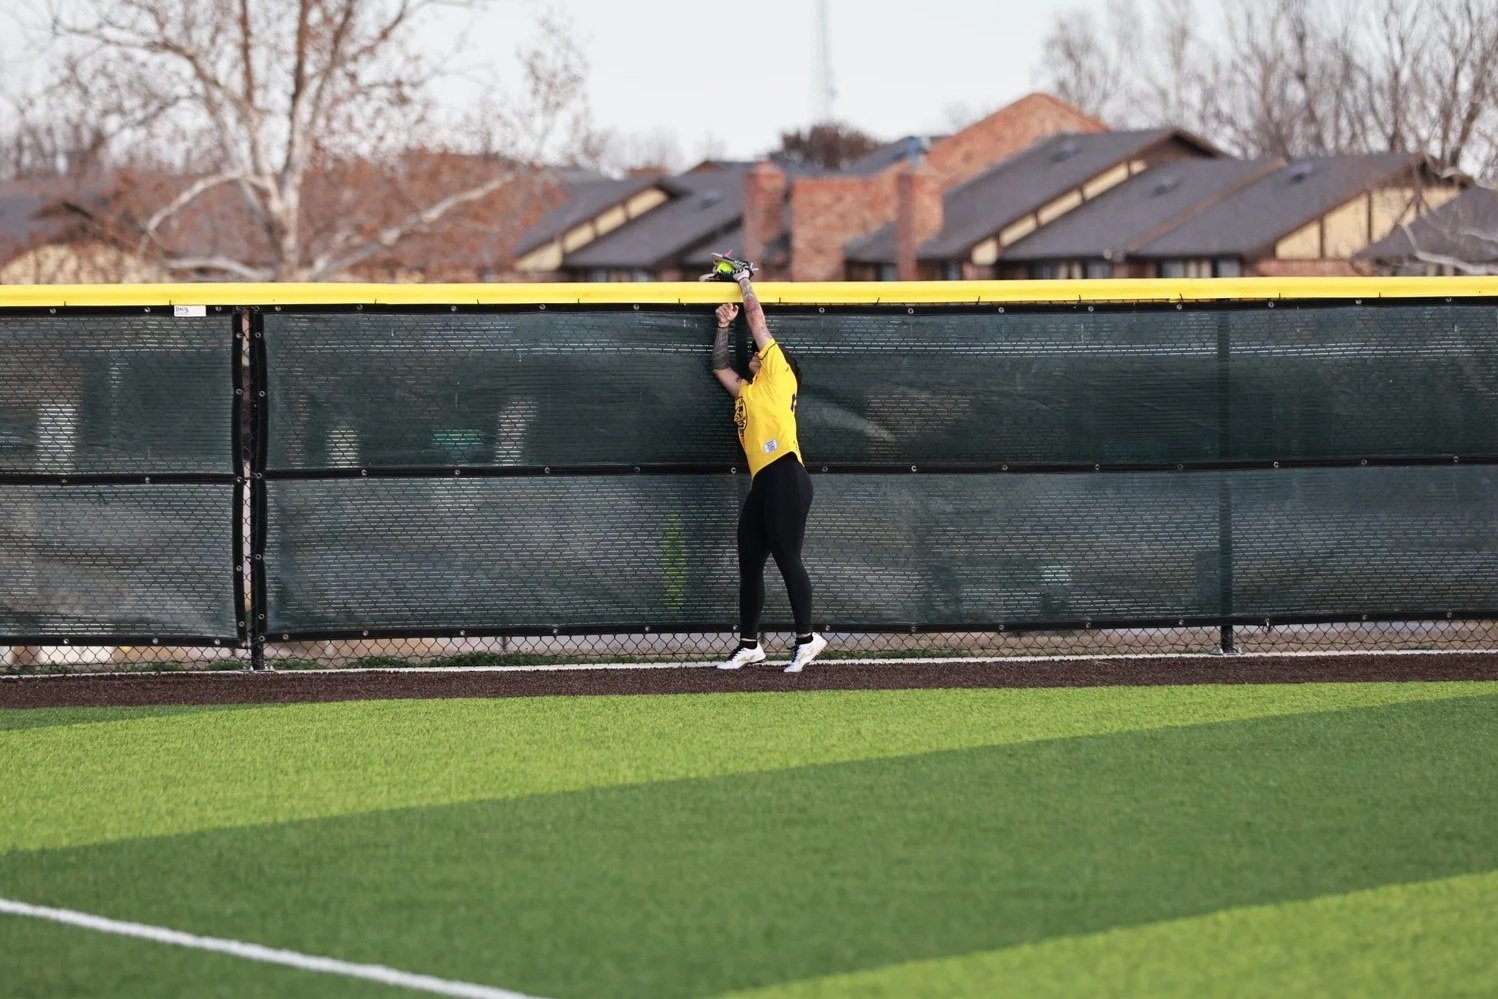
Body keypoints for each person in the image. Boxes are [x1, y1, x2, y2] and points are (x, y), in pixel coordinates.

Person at [707, 254, 828, 673]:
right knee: (749, 560)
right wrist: (723, 326)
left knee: (787, 557)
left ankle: (807, 639)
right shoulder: (749, 390)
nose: (757, 353)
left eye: (764, 352)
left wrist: (743, 281)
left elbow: (757, 318)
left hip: (786, 473)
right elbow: (720, 366)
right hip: (764, 481)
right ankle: (749, 644)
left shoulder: (779, 376)